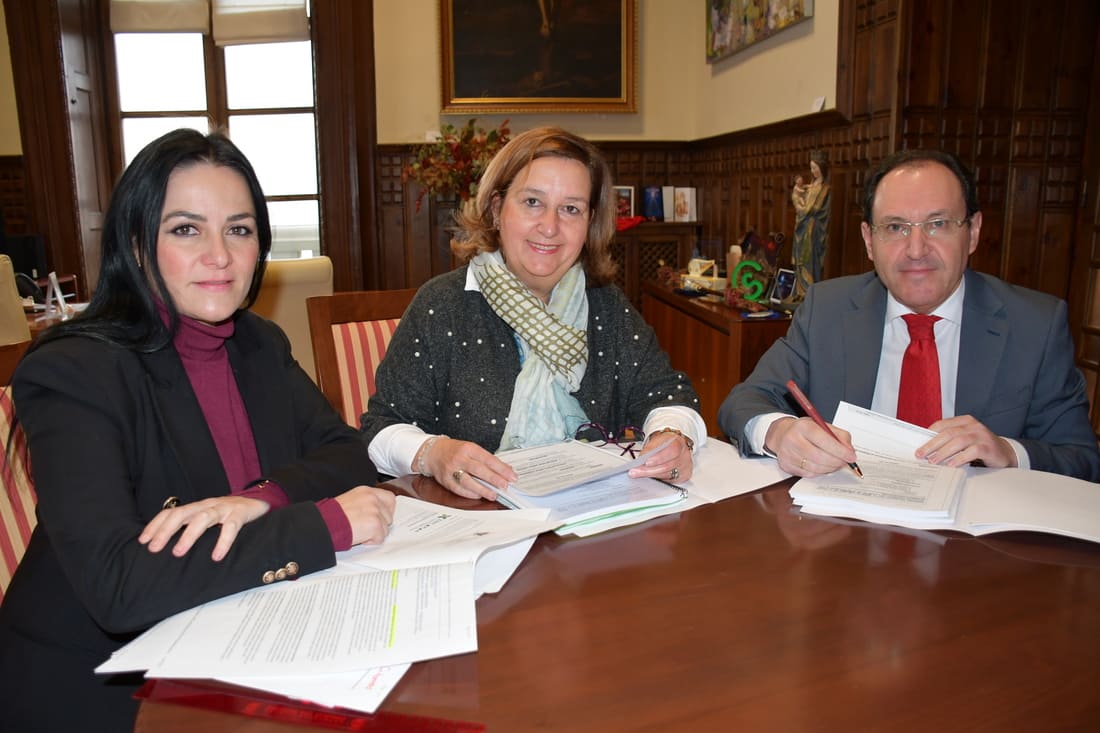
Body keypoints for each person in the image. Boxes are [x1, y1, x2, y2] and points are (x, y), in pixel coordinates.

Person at [0, 129, 396, 732]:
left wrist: (257, 501)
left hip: (234, 631)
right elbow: (119, 584)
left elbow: (346, 453)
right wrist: (325, 522)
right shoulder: (72, 372)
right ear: (137, 245)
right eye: (186, 229)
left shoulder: (258, 343)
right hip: (104, 681)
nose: (221, 255)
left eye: (238, 229)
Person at [362, 126, 705, 499]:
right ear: (496, 209)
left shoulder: (607, 305)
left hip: (590, 518)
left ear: (589, 223)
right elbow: (380, 427)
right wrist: (433, 453)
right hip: (479, 522)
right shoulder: (442, 305)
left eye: (570, 209)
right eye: (532, 202)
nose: (550, 226)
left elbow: (668, 394)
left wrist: (672, 434)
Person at [719, 148, 1100, 482]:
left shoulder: (1035, 324)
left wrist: (1008, 452)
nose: (916, 249)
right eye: (896, 227)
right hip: (845, 536)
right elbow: (744, 402)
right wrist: (780, 432)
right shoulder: (827, 309)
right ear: (870, 241)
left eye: (938, 224)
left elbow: (1082, 459)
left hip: (978, 550)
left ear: (973, 232)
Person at [789, 150, 830, 298]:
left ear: (822, 168)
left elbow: (813, 208)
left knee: (809, 261)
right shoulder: (810, 187)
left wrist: (799, 204)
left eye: (815, 168)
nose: (812, 171)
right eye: (811, 168)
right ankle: (800, 291)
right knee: (800, 260)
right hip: (802, 229)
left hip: (813, 231)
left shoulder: (824, 189)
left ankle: (809, 291)